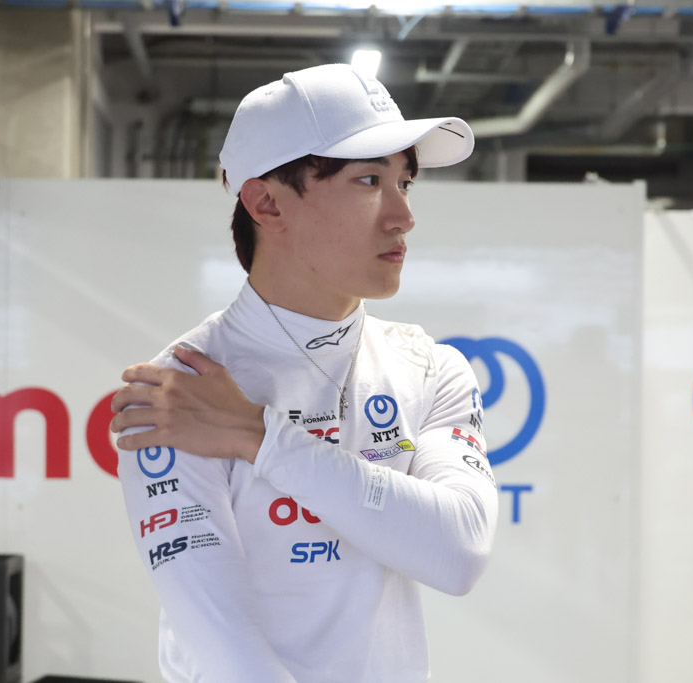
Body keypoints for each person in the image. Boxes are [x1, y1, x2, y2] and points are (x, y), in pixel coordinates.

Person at [108, 63, 498, 682]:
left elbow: (459, 552)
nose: (403, 216)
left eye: (405, 182)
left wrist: (260, 437)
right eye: (369, 180)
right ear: (266, 203)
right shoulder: (178, 391)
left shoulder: (431, 367)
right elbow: (226, 650)